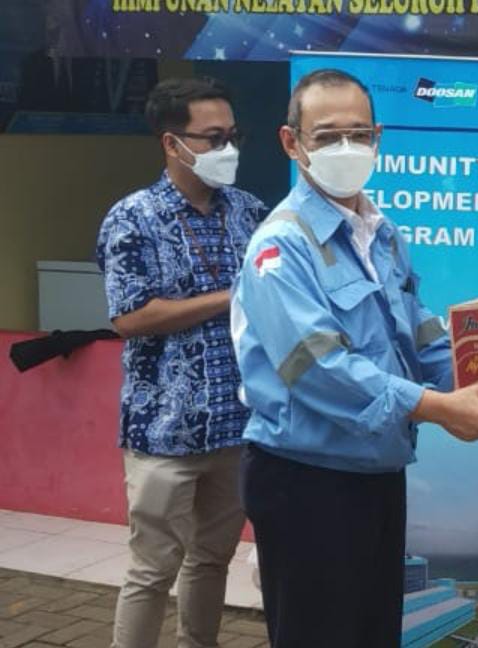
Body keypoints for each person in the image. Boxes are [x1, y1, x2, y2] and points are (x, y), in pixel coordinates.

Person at [230, 68, 478, 648]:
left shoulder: (379, 233)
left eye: (358, 134)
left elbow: (419, 330)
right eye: (328, 135)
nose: (347, 148)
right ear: (292, 143)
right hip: (306, 479)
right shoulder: (280, 245)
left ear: (378, 137)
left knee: (373, 632)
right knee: (321, 635)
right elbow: (316, 368)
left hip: (375, 471)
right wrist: (437, 407)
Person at [96, 77, 264, 648]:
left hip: (236, 423)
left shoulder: (248, 211)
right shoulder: (132, 218)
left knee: (212, 558)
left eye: (234, 136)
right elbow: (131, 317)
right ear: (173, 143)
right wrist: (233, 295)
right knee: (152, 568)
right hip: (165, 429)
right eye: (214, 138)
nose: (229, 149)